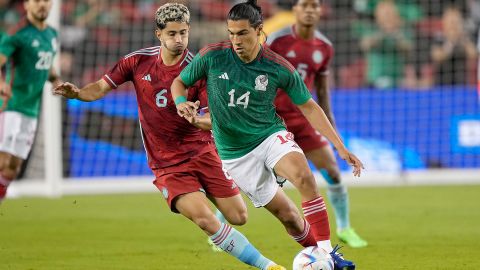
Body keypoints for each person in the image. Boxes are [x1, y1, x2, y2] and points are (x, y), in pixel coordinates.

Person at [53, 3, 285, 270]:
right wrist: (78, 93)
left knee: (239, 216)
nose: (179, 40)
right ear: (158, 34)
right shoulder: (136, 61)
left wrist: (196, 119)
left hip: (202, 151)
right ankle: (269, 266)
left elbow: (217, 118)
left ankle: (233, 204)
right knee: (206, 220)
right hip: (167, 164)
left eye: (184, 33)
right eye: (172, 34)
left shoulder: (200, 69)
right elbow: (100, 88)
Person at [171, 1, 363, 269]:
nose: (236, 40)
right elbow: (179, 82)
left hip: (269, 136)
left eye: (243, 33)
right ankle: (316, 255)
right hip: (235, 154)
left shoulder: (277, 66)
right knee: (290, 217)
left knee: (304, 176)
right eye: (232, 33)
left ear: (259, 30)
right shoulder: (212, 56)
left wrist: (340, 148)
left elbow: (310, 106)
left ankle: (328, 255)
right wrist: (181, 102)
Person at [266, 0, 367, 248]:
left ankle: (344, 228)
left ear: (320, 11)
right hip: (274, 120)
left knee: (332, 170)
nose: (310, 10)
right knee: (252, 176)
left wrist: (332, 128)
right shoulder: (277, 41)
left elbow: (322, 91)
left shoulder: (325, 46)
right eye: (304, 5)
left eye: (315, 5)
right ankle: (221, 221)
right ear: (296, 10)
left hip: (304, 120)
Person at [0, 0, 61, 202]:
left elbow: (46, 66)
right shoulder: (16, 33)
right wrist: (1, 84)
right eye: (36, 1)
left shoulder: (52, 35)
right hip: (10, 105)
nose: (42, 5)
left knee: (13, 167)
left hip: (31, 109)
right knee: (2, 160)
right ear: (27, 5)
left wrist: (56, 80)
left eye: (46, 1)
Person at [359, 0, 413, 89]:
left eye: (389, 13)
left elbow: (408, 48)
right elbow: (365, 44)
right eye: (384, 13)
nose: (387, 17)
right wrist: (382, 33)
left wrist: (395, 34)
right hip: (373, 81)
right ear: (377, 15)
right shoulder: (370, 28)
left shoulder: (404, 30)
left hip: (397, 80)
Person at [431, 5, 477, 86]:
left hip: (461, 83)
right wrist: (450, 43)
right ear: (444, 21)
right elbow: (436, 56)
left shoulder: (465, 37)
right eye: (451, 21)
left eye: (456, 21)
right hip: (441, 83)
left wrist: (462, 39)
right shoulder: (439, 37)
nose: (453, 25)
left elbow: (473, 54)